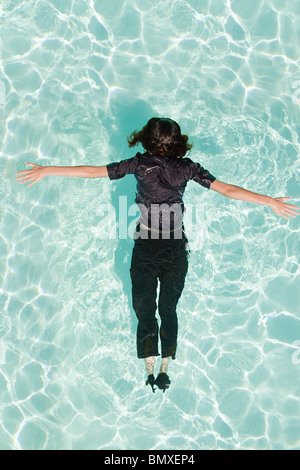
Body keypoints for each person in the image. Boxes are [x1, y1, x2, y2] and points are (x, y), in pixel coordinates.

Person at [16, 117, 299, 393]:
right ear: (177, 142)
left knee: (145, 308)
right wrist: (269, 201)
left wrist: (47, 170)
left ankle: (150, 368)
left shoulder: (139, 164)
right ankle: (165, 368)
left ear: (147, 141)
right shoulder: (188, 167)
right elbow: (226, 190)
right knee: (168, 308)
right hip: (175, 245)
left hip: (146, 244)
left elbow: (92, 172)